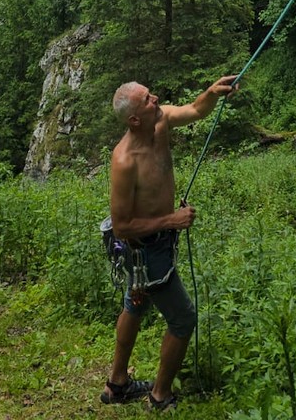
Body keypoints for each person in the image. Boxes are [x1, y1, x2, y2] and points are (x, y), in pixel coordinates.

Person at [101, 74, 239, 411]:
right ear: (134, 119)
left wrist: (211, 92)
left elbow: (194, 110)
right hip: (142, 247)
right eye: (148, 98)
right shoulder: (124, 161)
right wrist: (171, 221)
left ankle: (117, 385)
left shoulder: (160, 121)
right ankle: (160, 396)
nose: (156, 98)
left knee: (134, 305)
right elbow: (121, 227)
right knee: (182, 319)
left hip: (154, 241)